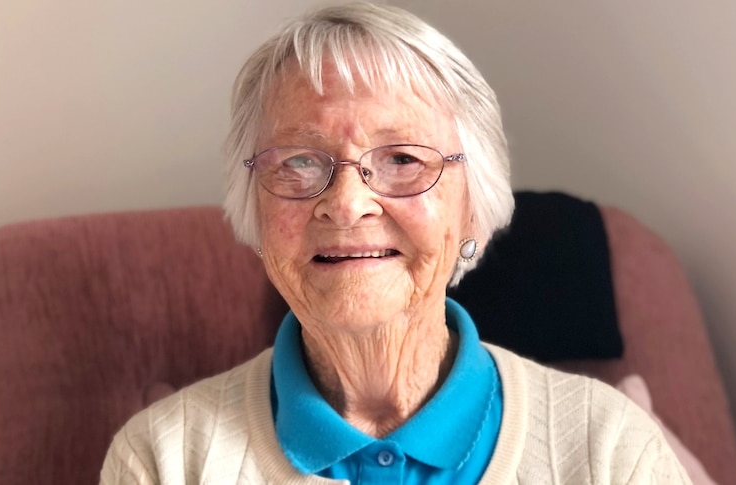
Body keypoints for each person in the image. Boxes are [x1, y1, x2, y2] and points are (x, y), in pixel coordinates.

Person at [100, 3, 690, 484]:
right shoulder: (165, 460)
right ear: (255, 210)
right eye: (301, 162)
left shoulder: (608, 449)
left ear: (472, 210)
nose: (348, 202)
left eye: (403, 158)